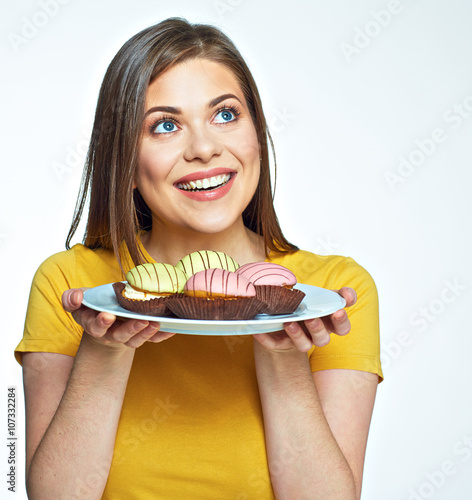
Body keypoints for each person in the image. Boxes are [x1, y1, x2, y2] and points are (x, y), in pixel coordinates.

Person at [15, 17, 383, 500]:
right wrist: (104, 352)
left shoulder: (328, 293)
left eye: (226, 115)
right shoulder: (74, 284)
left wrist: (286, 357)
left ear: (257, 135)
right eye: (165, 126)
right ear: (123, 162)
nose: (205, 148)